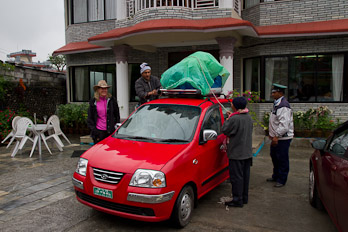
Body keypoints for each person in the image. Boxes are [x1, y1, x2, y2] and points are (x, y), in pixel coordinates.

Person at [222, 97, 253, 207]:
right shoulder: (248, 117)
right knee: (245, 177)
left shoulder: (234, 119)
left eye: (232, 103)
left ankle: (237, 200)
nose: (231, 104)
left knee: (236, 178)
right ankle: (244, 198)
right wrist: (231, 117)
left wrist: (227, 120)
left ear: (235, 106)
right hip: (247, 153)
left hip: (237, 153)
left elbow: (225, 130)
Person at [267, 83, 294, 187]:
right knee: (274, 156)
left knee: (282, 158)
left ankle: (282, 179)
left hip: (282, 137)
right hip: (276, 136)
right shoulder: (277, 103)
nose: (272, 94)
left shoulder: (283, 106)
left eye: (274, 92)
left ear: (280, 93)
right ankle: (276, 175)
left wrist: (276, 136)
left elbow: (284, 125)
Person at [87, 80, 120, 144]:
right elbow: (90, 117)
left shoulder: (112, 100)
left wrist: (116, 127)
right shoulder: (93, 101)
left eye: (105, 89)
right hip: (98, 131)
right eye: (102, 89)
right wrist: (94, 130)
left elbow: (116, 115)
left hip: (110, 131)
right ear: (98, 90)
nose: (104, 90)